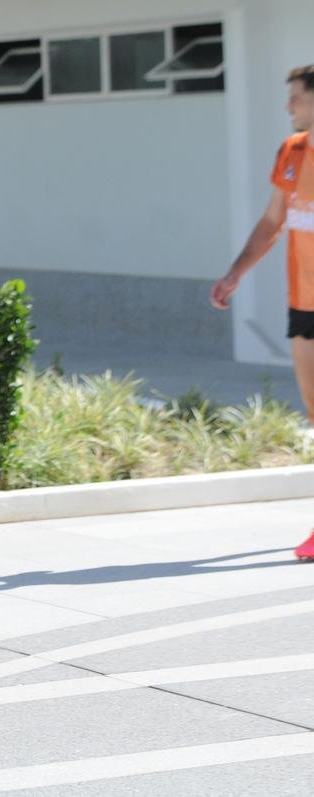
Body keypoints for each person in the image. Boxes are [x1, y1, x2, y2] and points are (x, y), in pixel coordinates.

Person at [210, 65, 314, 561]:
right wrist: (236, 273)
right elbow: (274, 221)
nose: (289, 107)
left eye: (295, 98)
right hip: (304, 303)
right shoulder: (293, 150)